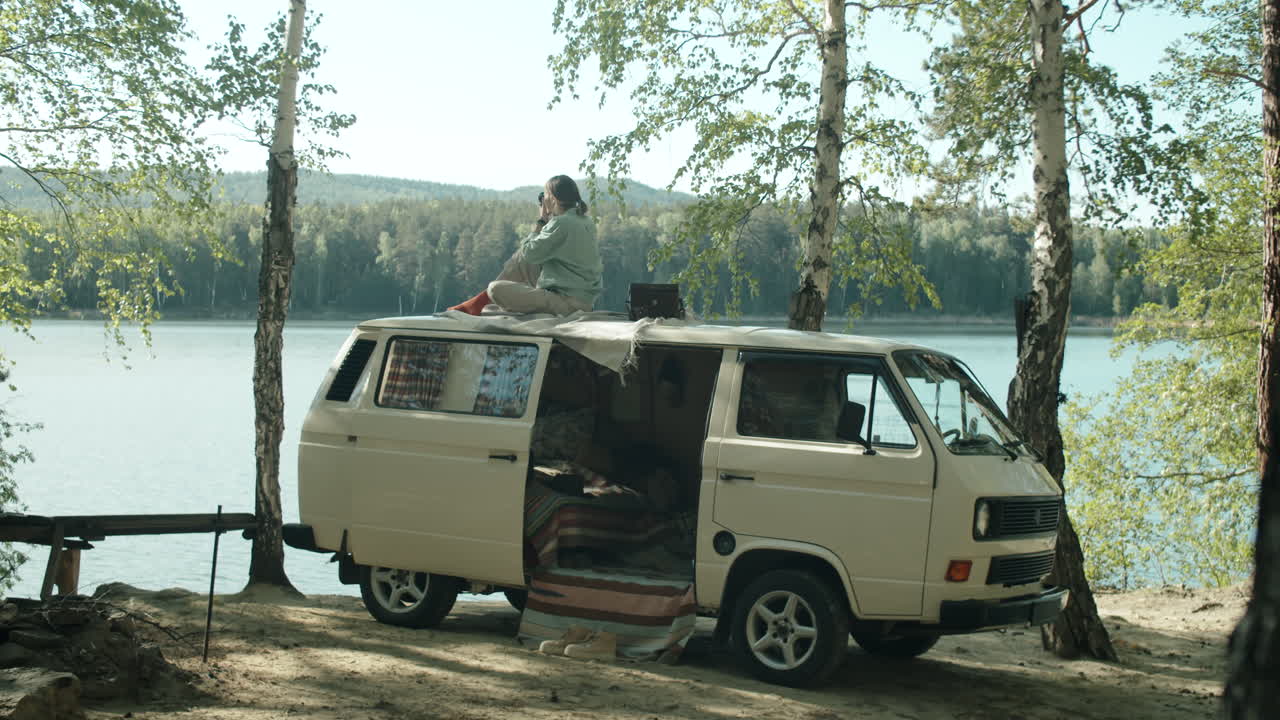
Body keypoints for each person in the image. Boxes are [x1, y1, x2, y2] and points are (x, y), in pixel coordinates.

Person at [449, 175, 602, 315]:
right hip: (582, 300)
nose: (544, 199)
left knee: (495, 288)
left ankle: (482, 300)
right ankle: (481, 301)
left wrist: (541, 220)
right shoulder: (584, 220)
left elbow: (529, 251)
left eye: (546, 194)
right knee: (522, 259)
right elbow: (531, 255)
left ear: (553, 199)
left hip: (567, 304)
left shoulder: (561, 223)